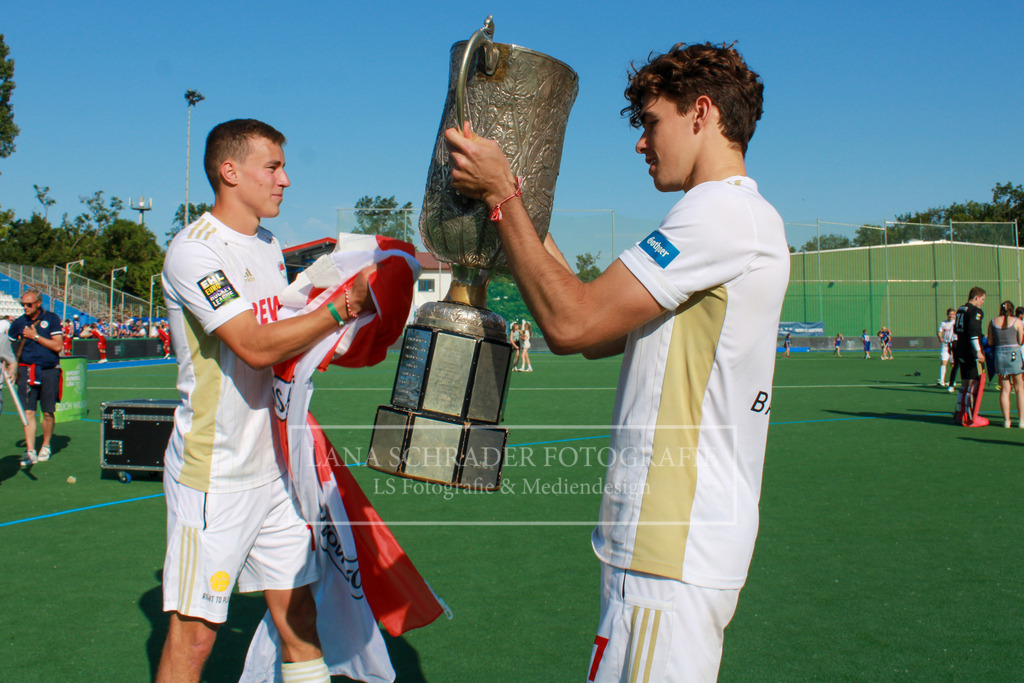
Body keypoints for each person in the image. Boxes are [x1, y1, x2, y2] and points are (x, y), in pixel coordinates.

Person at [445, 41, 788, 681]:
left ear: (702, 113)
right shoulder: (731, 217)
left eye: (651, 122)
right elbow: (597, 327)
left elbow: (572, 323)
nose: (640, 143)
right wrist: (518, 194)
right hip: (673, 546)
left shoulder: (719, 214)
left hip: (672, 543)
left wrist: (503, 198)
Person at [156, 118, 376, 683]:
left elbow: (282, 336)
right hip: (215, 475)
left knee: (299, 617)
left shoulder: (269, 245)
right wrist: (336, 311)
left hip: (275, 471)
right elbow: (253, 345)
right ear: (230, 172)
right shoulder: (193, 252)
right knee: (195, 640)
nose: (285, 179)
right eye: (272, 167)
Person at [7, 288, 64, 466]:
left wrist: (35, 336)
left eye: (29, 304)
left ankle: (46, 445)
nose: (25, 307)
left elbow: (57, 347)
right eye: (22, 304)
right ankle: (30, 450)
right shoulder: (19, 322)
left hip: (49, 370)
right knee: (28, 412)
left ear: (38, 303)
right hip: (26, 370)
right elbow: (8, 345)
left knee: (47, 411)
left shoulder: (52, 319)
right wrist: (11, 366)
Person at [954, 287, 988, 427]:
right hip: (970, 351)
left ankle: (959, 413)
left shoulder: (961, 309)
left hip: (960, 349)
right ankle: (971, 417)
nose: (982, 302)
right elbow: (973, 333)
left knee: (965, 382)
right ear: (976, 298)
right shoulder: (975, 311)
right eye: (982, 299)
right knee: (975, 383)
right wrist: (979, 351)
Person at [987, 300, 1024, 428]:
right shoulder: (1017, 322)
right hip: (1014, 354)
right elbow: (1020, 341)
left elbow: (990, 341)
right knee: (1019, 388)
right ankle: (1021, 421)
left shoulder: (993, 322)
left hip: (1000, 354)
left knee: (1004, 389)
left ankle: (1006, 421)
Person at [937, 308, 956, 385]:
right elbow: (939, 332)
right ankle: (942, 380)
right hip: (945, 345)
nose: (951, 315)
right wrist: (940, 337)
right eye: (950, 314)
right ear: (947, 314)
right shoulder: (943, 323)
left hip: (954, 345)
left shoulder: (956, 323)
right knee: (943, 362)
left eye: (953, 314)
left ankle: (953, 381)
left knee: (953, 364)